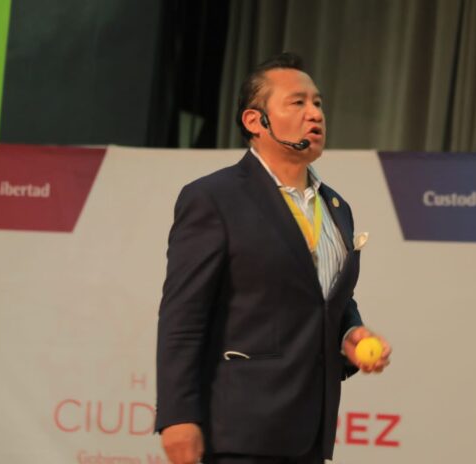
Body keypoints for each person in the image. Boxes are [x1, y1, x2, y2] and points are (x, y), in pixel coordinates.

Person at [156, 52, 391, 464]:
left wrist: (349, 332)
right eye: (297, 102)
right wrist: (177, 416)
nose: (314, 114)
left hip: (309, 431)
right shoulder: (214, 198)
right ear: (255, 121)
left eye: (317, 103)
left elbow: (324, 297)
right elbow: (183, 316)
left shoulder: (336, 207)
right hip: (237, 432)